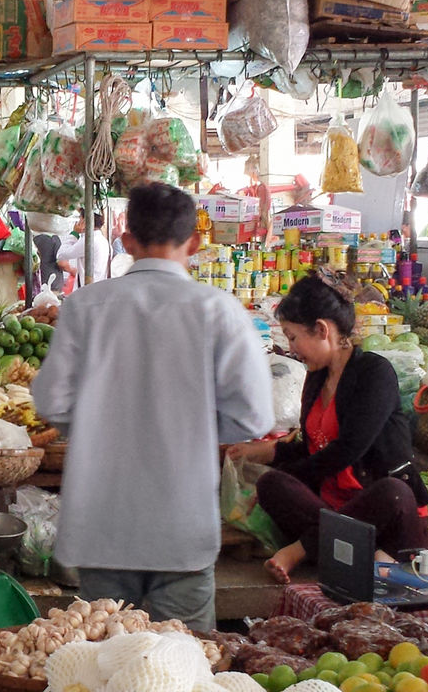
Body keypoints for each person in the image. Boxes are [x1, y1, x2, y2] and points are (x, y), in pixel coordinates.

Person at [33, 182, 274, 630]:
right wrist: (197, 427)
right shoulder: (219, 310)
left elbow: (50, 400)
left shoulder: (85, 306)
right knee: (183, 675)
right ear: (196, 243)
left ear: (127, 241)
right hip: (181, 529)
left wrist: (94, 426)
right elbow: (253, 417)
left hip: (102, 526)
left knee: (99, 674)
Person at [228, 270, 428, 584]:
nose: (292, 348)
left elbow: (345, 451)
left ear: (321, 330)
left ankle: (304, 549)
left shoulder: (374, 373)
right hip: (336, 510)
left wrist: (286, 466)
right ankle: (357, 552)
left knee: (393, 492)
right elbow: (312, 446)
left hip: (384, 512)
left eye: (293, 337)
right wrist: (270, 457)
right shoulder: (317, 377)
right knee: (271, 485)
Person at [56, 209, 110, 287]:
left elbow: (61, 255)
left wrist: (74, 234)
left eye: (79, 218)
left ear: (84, 221)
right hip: (97, 288)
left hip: (87, 290)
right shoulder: (102, 240)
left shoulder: (89, 241)